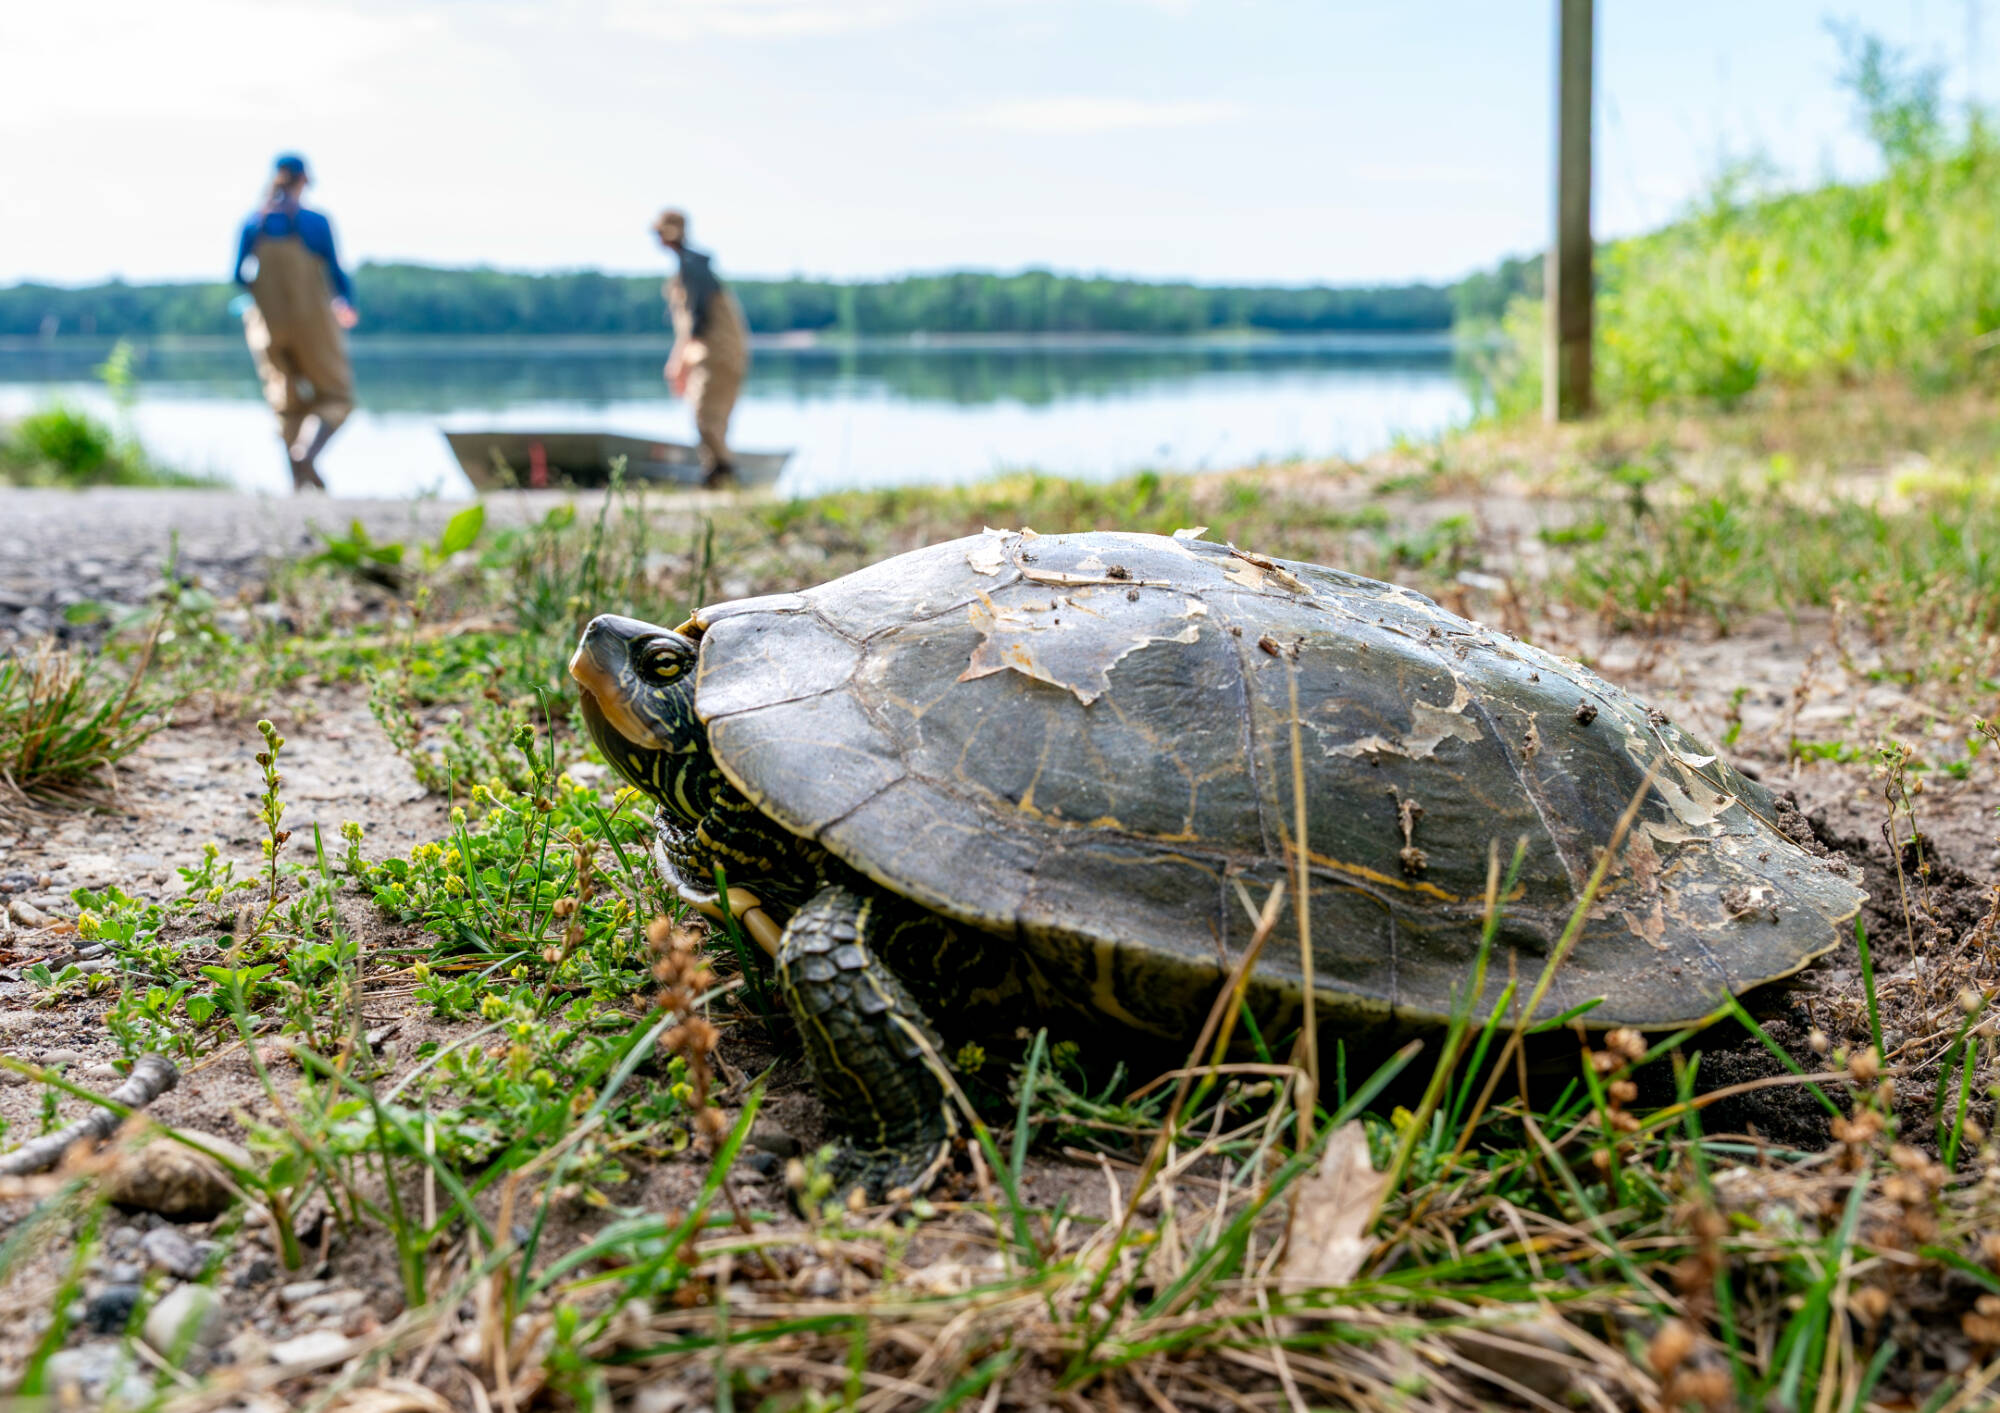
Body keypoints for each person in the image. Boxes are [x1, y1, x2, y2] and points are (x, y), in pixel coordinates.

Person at [232, 154, 357, 492]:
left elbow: (238, 277)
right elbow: (335, 270)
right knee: (336, 396)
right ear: (304, 180)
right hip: (313, 322)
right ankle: (307, 454)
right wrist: (347, 302)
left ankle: (296, 485)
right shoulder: (316, 222)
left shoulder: (251, 223)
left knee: (285, 403)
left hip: (267, 327)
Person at [655, 210, 750, 488]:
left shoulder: (693, 268)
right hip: (714, 355)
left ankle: (725, 473)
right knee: (707, 417)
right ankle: (717, 473)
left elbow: (697, 323)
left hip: (718, 355)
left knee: (706, 418)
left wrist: (678, 364)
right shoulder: (691, 267)